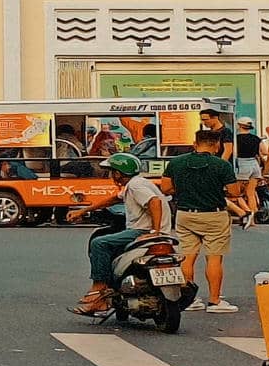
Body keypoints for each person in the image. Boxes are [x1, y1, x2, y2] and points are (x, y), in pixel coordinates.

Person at [66, 152, 166, 315]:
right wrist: (83, 210)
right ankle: (111, 294)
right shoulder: (138, 183)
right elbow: (114, 199)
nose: (111, 175)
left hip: (142, 231)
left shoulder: (135, 186)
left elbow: (154, 202)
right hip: (153, 232)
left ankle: (99, 288)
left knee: (99, 243)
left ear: (118, 173)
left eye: (112, 172)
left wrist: (155, 231)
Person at [165, 128, 238, 313]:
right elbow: (234, 192)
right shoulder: (222, 165)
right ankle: (214, 301)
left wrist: (184, 190)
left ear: (195, 144)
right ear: (217, 145)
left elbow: (166, 188)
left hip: (185, 213)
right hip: (214, 215)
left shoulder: (176, 163)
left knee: (187, 256)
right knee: (214, 257)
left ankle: (188, 299)